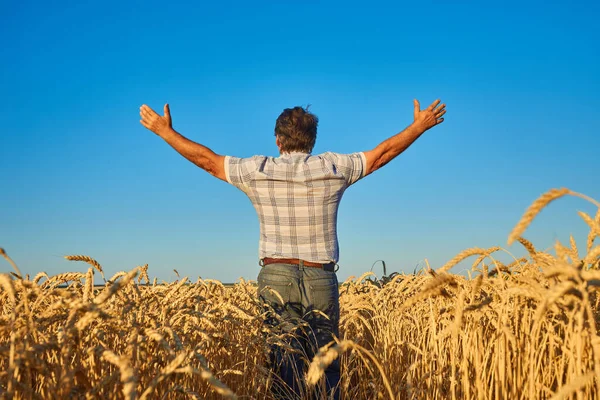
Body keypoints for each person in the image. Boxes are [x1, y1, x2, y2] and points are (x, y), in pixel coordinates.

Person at [139, 99, 446, 398]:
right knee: (326, 368)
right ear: (312, 140)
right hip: (321, 278)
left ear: (278, 141)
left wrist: (166, 132)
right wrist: (418, 127)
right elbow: (381, 154)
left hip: (276, 278)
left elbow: (207, 160)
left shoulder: (256, 170)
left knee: (283, 369)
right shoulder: (334, 167)